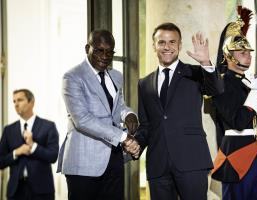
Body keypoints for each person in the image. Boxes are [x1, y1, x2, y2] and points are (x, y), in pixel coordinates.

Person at [135, 22, 224, 200]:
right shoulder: (144, 83)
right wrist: (135, 144)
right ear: (154, 46)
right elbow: (146, 125)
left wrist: (206, 62)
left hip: (191, 160)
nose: (167, 47)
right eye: (161, 42)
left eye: (172, 42)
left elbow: (217, 90)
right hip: (158, 164)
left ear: (179, 45)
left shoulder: (196, 73)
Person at [57, 29, 139, 200]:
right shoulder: (72, 77)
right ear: (88, 48)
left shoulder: (116, 76)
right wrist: (123, 137)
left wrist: (128, 114)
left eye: (109, 52)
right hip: (83, 163)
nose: (104, 56)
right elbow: (83, 120)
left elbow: (118, 107)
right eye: (99, 50)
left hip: (114, 160)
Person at [210, 7, 257, 200]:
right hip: (237, 154)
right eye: (243, 52)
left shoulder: (246, 82)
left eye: (249, 52)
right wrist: (255, 91)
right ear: (229, 56)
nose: (249, 55)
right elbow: (238, 121)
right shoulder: (221, 84)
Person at [0, 89, 59, 200]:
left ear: (31, 102)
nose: (16, 104)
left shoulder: (48, 126)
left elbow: (53, 156)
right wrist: (16, 152)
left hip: (42, 191)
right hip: (16, 191)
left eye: (20, 100)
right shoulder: (8, 130)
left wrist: (33, 146)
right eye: (14, 101)